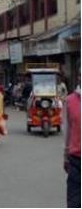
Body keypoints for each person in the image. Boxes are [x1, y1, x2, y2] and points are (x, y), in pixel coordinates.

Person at [64, 78, 81, 208]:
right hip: (75, 159)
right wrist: (65, 155)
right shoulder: (70, 100)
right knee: (74, 203)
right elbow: (68, 129)